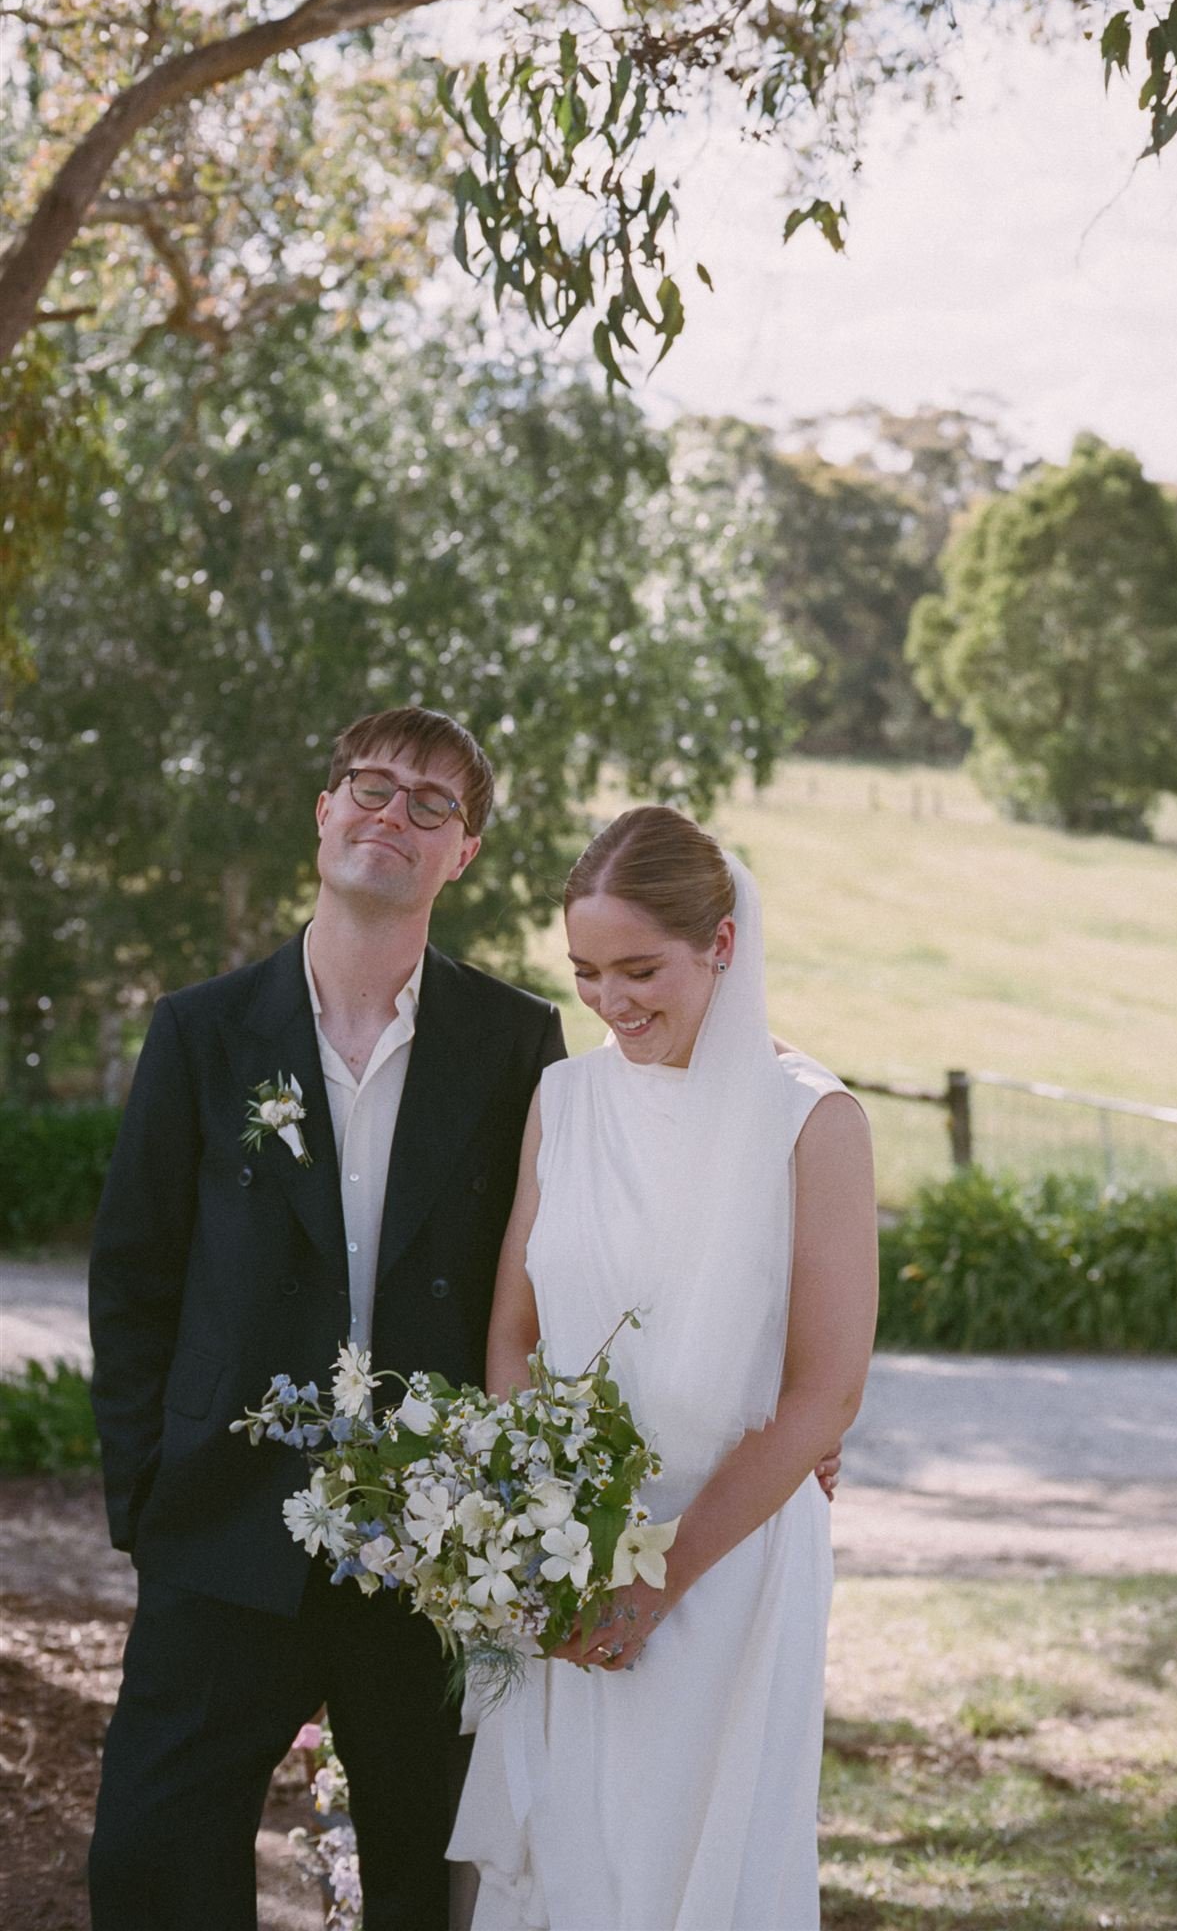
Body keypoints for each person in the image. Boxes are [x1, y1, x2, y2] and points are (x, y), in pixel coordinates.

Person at [87, 706, 567, 1931]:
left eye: (430, 804)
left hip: (429, 1540)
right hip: (220, 1518)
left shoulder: (518, 1044)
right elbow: (136, 1275)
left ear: (463, 852)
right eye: (370, 785)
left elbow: (564, 1264)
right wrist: (145, 1491)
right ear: (323, 809)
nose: (390, 815)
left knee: (419, 1877)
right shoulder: (200, 1030)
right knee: (156, 1860)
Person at [449, 805, 879, 1930]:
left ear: (722, 946)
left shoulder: (812, 1120)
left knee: (700, 1863)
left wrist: (662, 1575)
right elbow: (512, 1329)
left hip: (727, 1561)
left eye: (640, 968)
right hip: (569, 1557)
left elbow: (823, 1392)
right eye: (586, 972)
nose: (611, 1000)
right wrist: (528, 1518)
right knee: (571, 1860)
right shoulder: (564, 1101)